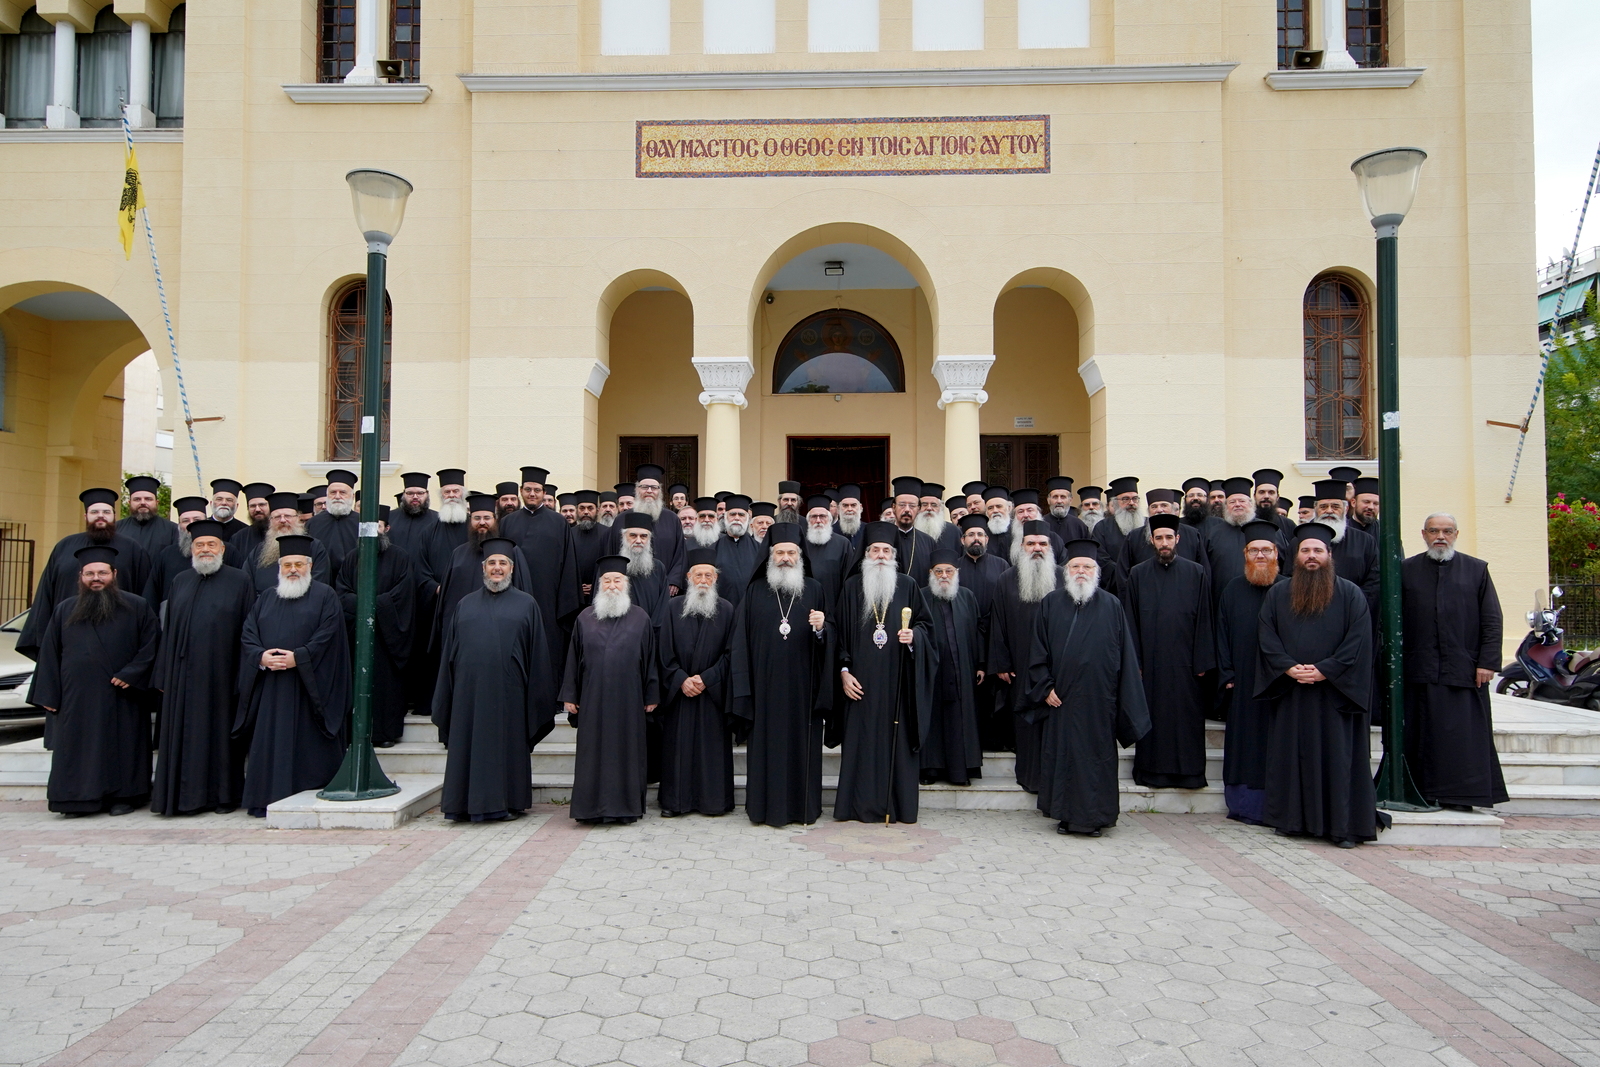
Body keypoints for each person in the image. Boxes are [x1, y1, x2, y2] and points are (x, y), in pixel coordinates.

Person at [1256, 524, 1380, 847]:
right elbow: (1267, 637)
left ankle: (1341, 828)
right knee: (1293, 758)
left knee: (1338, 761)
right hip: (1293, 693)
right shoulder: (1278, 594)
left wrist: (1325, 670)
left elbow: (1359, 641)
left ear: (1329, 555)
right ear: (1296, 557)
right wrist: (1289, 667)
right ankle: (1293, 822)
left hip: (1335, 697)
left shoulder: (1351, 594)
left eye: (1318, 551)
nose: (1312, 557)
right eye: (1305, 551)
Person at [1028, 539, 1151, 837]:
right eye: (1075, 566)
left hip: (1100, 701)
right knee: (1064, 757)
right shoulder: (1050, 602)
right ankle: (1064, 816)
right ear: (1066, 570)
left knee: (1097, 761)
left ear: (1096, 571)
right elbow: (1037, 650)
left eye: (1087, 566)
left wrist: (1123, 698)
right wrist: (1045, 688)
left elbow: (1124, 655)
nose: (1081, 571)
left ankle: (1097, 818)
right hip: (1063, 700)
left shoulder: (1112, 605)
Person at [28, 546, 161, 817]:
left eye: (102, 572)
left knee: (123, 746)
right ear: (81, 576)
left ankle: (124, 797)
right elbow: (50, 654)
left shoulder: (136, 606)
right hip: (77, 697)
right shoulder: (65, 609)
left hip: (123, 695)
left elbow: (152, 645)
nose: (96, 578)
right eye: (89, 573)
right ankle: (77, 800)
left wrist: (132, 673)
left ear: (114, 574)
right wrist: (49, 695)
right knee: (78, 748)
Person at [432, 537, 555, 822]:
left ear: (511, 569)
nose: (497, 568)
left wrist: (536, 698)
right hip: (468, 695)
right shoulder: (464, 604)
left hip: (510, 695)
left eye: (502, 563)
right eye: (492, 564)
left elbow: (537, 656)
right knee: (467, 745)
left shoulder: (527, 605)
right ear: (483, 568)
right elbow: (450, 652)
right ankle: (461, 804)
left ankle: (507, 802)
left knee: (506, 747)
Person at [236, 535, 351, 816]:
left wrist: (298, 658)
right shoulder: (266, 598)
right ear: (279, 568)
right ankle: (266, 798)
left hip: (310, 688)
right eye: (287, 565)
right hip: (271, 689)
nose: (293, 570)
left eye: (299, 564)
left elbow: (329, 635)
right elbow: (248, 634)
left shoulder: (326, 596)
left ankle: (309, 796)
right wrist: (261, 657)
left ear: (310, 566)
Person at [728, 523, 834, 826]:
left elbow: (829, 640)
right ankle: (762, 808)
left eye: (791, 552)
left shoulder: (814, 589)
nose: (785, 557)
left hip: (803, 689)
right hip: (764, 689)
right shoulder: (754, 591)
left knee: (802, 749)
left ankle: (804, 808)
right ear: (770, 556)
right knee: (766, 750)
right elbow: (740, 643)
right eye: (780, 552)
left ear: (800, 556)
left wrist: (821, 628)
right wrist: (744, 688)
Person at [1402, 513, 1508, 811]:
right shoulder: (1406, 570)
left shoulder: (1476, 570)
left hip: (1464, 670)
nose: (1440, 537)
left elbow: (1492, 620)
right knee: (1424, 736)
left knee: (1463, 739)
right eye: (1434, 531)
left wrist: (1487, 663)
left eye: (1447, 531)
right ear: (1423, 534)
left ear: (1456, 534)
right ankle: (1423, 793)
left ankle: (1463, 796)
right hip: (1420, 670)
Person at [150, 520, 256, 816]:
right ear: (191, 550)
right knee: (181, 739)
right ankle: (181, 798)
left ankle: (222, 798)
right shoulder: (180, 581)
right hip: (182, 678)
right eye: (200, 545)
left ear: (222, 549)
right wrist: (163, 674)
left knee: (220, 740)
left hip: (222, 676)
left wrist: (243, 674)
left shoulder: (240, 580)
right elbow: (168, 630)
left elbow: (248, 631)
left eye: (211, 545)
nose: (205, 550)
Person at [833, 524, 934, 824]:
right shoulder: (852, 588)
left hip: (897, 685)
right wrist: (843, 671)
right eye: (874, 551)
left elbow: (927, 627)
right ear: (865, 555)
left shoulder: (908, 586)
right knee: (860, 746)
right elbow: (838, 634)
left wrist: (915, 637)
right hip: (860, 685)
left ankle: (899, 807)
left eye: (886, 551)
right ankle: (857, 808)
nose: (880, 556)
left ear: (894, 556)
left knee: (897, 743)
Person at [560, 555, 660, 824]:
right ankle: (590, 809)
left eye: (618, 580)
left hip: (630, 699)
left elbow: (650, 659)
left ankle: (626, 808)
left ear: (626, 585)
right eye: (607, 581)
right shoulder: (584, 618)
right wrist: (570, 695)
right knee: (593, 752)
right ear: (599, 585)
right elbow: (573, 659)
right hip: (593, 698)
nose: (612, 585)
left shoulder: (640, 618)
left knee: (628, 751)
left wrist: (651, 695)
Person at [1125, 514, 1215, 790]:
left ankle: (1189, 775)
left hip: (1186, 664)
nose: (1164, 543)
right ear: (1152, 540)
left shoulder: (1196, 572)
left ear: (1178, 539)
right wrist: (1135, 661)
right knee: (1153, 719)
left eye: (1169, 537)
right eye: (1159, 538)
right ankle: (1151, 772)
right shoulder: (1138, 573)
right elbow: (1130, 620)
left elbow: (1204, 619)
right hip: (1150, 665)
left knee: (1186, 719)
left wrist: (1202, 659)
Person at [17, 488, 153, 667]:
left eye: (106, 512)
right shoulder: (64, 546)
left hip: (118, 641)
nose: (100, 516)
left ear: (114, 515)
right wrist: (43, 639)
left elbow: (145, 595)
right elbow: (46, 593)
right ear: (85, 516)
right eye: (94, 512)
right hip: (70, 636)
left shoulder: (133, 549)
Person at [1214, 520, 1287, 825]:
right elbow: (1221, 633)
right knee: (1244, 745)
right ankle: (1243, 805)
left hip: (1280, 683)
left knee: (1276, 745)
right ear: (1245, 554)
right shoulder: (1232, 589)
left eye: (1266, 550)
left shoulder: (1288, 589)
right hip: (1243, 681)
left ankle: (1277, 805)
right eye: (1254, 550)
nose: (1260, 555)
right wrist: (1227, 673)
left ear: (1276, 555)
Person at [656, 548, 736, 817]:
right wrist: (680, 679)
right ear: (688, 577)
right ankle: (675, 803)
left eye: (708, 575)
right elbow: (662, 650)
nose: (703, 579)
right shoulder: (671, 607)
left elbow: (731, 653)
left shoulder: (726, 610)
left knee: (711, 752)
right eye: (698, 574)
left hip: (712, 693)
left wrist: (707, 678)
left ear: (716, 579)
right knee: (677, 750)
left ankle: (713, 803)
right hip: (679, 694)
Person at [333, 506, 415, 747]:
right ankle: (357, 734)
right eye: (366, 527)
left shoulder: (400, 557)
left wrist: (374, 605)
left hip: (387, 634)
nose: (372, 532)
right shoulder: (352, 557)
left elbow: (404, 593)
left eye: (377, 526)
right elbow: (342, 590)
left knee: (386, 685)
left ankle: (385, 734)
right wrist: (363, 605)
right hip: (357, 633)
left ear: (386, 528)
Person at [986, 521, 1058, 793]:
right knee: (1025, 721)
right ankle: (1029, 777)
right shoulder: (1007, 578)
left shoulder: (1062, 577)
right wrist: (1001, 662)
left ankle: (1052, 776)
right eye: (1031, 543)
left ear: (1050, 547)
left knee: (1053, 722)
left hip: (1055, 668)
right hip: (1019, 664)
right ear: (1021, 547)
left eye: (1042, 544)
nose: (1037, 548)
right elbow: (998, 622)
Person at [491, 466, 582, 675]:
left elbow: (569, 564)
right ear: (521, 491)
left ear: (544, 493)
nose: (532, 494)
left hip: (550, 600)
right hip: (514, 596)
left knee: (549, 648)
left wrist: (565, 601)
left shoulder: (559, 522)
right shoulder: (507, 522)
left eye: (537, 490)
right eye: (528, 489)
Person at [918, 550, 985, 786]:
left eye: (949, 571)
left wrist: (981, 664)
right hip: (931, 672)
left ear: (956, 573)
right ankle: (930, 769)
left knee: (959, 720)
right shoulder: (921, 596)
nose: (944, 575)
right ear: (930, 574)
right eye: (939, 571)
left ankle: (960, 771)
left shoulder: (967, 596)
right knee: (933, 719)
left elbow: (977, 632)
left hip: (962, 671)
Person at [1203, 477, 1280, 605]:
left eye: (1242, 501)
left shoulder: (1269, 529)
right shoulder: (1213, 534)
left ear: (1251, 503)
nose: (1237, 504)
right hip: (1222, 599)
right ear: (1226, 506)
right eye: (1232, 502)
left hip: (1265, 599)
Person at [240, 492, 332, 593]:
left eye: (287, 516)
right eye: (277, 517)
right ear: (270, 521)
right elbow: (247, 584)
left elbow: (319, 584)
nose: (283, 520)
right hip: (266, 606)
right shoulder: (259, 551)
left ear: (297, 518)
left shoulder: (314, 547)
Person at [1313, 480, 1379, 619]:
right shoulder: (1300, 541)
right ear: (1316, 509)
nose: (1329, 510)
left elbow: (1373, 581)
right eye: (1323, 506)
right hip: (1311, 612)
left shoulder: (1365, 541)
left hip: (1354, 612)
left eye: (1335, 506)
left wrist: (1355, 605)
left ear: (1346, 508)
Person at [1115, 488, 1209, 585]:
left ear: (1173, 509)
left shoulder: (1192, 534)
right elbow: (1123, 574)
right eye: (1154, 506)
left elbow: (1203, 572)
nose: (1159, 510)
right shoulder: (1134, 537)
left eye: (1164, 505)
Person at [141, 496, 212, 610]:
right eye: (185, 521)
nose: (191, 524)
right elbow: (152, 595)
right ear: (179, 525)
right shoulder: (166, 555)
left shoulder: (226, 551)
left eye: (197, 520)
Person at [631, 465, 687, 591]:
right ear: (637, 490)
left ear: (659, 491)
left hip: (665, 586)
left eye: (654, 487)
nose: (649, 491)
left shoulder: (672, 519)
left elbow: (680, 553)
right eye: (644, 487)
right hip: (631, 586)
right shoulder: (623, 518)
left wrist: (674, 580)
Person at [801, 495, 856, 617]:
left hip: (834, 608)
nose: (818, 520)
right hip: (804, 608)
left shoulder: (843, 544)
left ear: (830, 519)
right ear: (808, 520)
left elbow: (849, 581)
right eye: (814, 517)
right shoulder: (800, 544)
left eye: (823, 516)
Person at [617, 512, 672, 625]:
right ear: (623, 537)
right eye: (633, 535)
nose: (638, 541)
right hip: (621, 633)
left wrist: (649, 630)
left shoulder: (658, 568)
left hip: (652, 632)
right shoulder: (613, 566)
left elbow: (663, 605)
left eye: (643, 536)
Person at [306, 468, 360, 575]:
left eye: (343, 492)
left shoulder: (362, 522)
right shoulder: (314, 522)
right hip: (321, 579)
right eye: (333, 492)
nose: (337, 496)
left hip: (353, 580)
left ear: (352, 496)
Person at [570, 489, 619, 605]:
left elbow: (610, 563)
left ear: (597, 511)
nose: (586, 512)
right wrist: (576, 587)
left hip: (601, 593)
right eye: (582, 508)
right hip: (574, 595)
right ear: (577, 510)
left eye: (590, 508)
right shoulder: (569, 534)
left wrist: (596, 585)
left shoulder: (608, 533)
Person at [714, 494, 761, 606]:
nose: (736, 518)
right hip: (722, 608)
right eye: (732, 514)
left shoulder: (759, 549)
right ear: (725, 517)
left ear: (748, 519)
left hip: (751, 606)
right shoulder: (714, 548)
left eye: (741, 515)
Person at [887, 477, 938, 579]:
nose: (907, 510)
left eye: (912, 506)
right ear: (893, 507)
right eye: (902, 505)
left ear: (918, 509)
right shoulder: (883, 538)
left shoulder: (928, 542)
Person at [118, 475, 180, 556]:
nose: (143, 502)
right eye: (137, 499)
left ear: (156, 503)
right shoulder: (117, 528)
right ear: (129, 503)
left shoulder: (173, 530)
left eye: (148, 499)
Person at [1091, 476, 1143, 565]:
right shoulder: (1102, 527)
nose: (1131, 503)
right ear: (1115, 502)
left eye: (1135, 498)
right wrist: (1122, 574)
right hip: (1114, 577)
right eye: (1125, 499)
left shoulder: (1148, 524)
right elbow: (1101, 557)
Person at [225, 482, 277, 562]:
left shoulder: (281, 532)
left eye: (262, 505)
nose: (257, 509)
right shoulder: (239, 538)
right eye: (252, 506)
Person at [914, 481, 961, 552]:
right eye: (924, 504)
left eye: (934, 505)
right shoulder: (911, 531)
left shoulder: (954, 532)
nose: (929, 508)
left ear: (940, 508)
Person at [1042, 476, 1090, 543]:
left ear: (1070, 500)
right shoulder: (1041, 523)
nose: (1059, 501)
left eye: (1063, 497)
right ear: (1048, 500)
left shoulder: (1079, 525)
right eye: (1055, 497)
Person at [834, 483, 867, 550]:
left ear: (860, 507)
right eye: (845, 505)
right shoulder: (832, 531)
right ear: (838, 508)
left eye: (853, 505)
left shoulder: (868, 530)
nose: (849, 509)